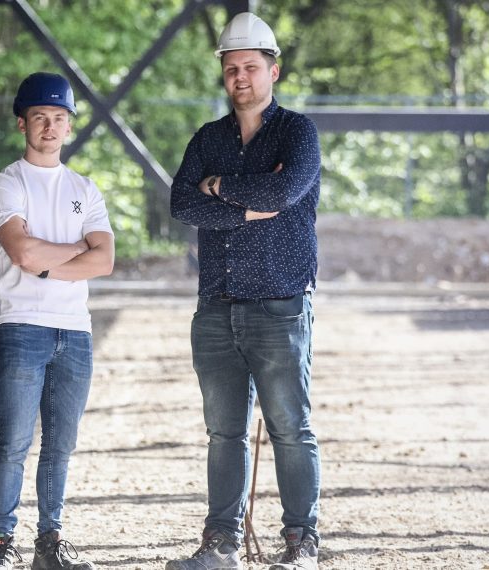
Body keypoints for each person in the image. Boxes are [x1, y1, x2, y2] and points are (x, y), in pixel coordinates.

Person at [167, 12, 322, 570]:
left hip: (280, 305)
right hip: (216, 307)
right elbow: (182, 204)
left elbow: (283, 191)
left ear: (273, 71)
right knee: (223, 432)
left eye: (251, 67)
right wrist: (248, 207)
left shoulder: (297, 133)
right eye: (232, 68)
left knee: (289, 427)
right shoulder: (207, 138)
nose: (240, 78)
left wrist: (220, 190)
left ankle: (300, 542)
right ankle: (221, 545)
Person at [0, 71, 115, 570]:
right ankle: (1, 547)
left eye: (59, 118)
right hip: (21, 325)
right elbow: (19, 249)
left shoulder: (85, 188)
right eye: (40, 117)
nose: (50, 127)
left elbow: (104, 261)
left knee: (60, 448)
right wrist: (78, 248)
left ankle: (49, 547)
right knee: (13, 443)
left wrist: (47, 259)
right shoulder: (6, 183)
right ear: (23, 124)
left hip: (74, 331)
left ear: (69, 125)